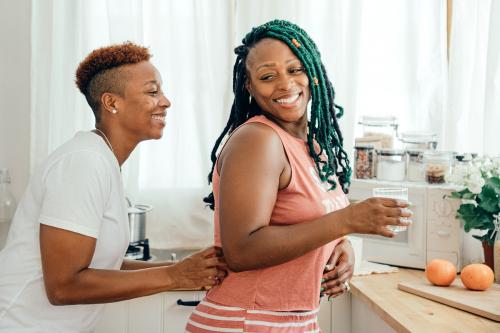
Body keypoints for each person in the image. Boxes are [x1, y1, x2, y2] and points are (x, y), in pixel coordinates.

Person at [186, 20, 412, 332]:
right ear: (249, 87)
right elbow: (241, 251)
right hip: (246, 321)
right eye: (267, 76)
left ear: (313, 71)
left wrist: (339, 248)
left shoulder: (313, 145)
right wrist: (347, 220)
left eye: (295, 70)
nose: (285, 84)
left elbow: (306, 222)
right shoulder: (257, 141)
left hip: (292, 321)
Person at [0, 42, 226, 332]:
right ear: (111, 102)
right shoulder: (83, 162)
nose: (166, 101)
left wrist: (191, 269)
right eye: (152, 91)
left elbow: (103, 265)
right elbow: (63, 286)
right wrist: (173, 276)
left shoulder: (103, 161)